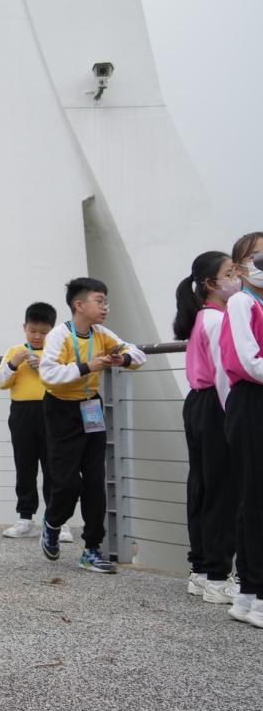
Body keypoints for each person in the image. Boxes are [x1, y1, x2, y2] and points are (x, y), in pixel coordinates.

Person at [37, 277, 146, 573]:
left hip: (92, 407)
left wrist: (122, 359)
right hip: (61, 409)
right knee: (67, 482)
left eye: (106, 301)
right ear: (79, 305)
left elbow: (138, 354)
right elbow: (49, 374)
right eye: (100, 301)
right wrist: (89, 366)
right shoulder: (59, 335)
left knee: (96, 479)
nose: (105, 307)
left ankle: (92, 549)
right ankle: (53, 523)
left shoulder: (101, 333)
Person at [173, 251, 238, 604]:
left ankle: (200, 569)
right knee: (221, 490)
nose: (237, 277)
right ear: (211, 283)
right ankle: (216, 573)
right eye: (231, 272)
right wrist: (235, 418)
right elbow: (224, 373)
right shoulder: (216, 320)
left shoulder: (202, 317)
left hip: (198, 403)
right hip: (216, 405)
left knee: (201, 486)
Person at [0, 302, 74, 542]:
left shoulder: (58, 353)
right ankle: (25, 518)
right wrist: (14, 363)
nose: (37, 336)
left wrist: (45, 367)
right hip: (22, 414)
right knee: (25, 466)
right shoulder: (15, 351)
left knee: (54, 467)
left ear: (53, 331)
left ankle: (57, 521)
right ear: (24, 328)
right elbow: (0, 383)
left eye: (43, 332)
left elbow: (68, 382)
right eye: (32, 331)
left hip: (53, 411)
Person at [221, 231, 263, 626]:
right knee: (255, 498)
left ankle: (248, 595)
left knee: (254, 498)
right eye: (257, 257)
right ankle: (257, 593)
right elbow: (248, 361)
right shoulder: (241, 302)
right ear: (239, 267)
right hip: (251, 400)